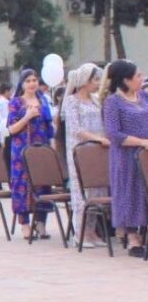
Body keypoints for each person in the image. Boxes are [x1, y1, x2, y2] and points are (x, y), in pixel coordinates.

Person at [102, 60, 148, 257]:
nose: (141, 78)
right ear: (126, 80)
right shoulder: (113, 102)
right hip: (126, 157)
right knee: (130, 193)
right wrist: (141, 141)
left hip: (145, 153)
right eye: (138, 75)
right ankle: (132, 238)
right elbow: (113, 134)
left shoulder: (143, 96)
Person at [62, 63, 109, 247]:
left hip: (98, 151)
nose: (97, 83)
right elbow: (75, 129)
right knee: (81, 191)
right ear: (85, 80)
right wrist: (97, 138)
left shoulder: (96, 100)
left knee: (98, 189)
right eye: (95, 80)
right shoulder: (71, 101)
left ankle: (92, 231)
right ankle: (80, 232)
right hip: (80, 151)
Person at [8, 69, 56, 240]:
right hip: (21, 150)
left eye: (34, 80)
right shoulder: (15, 103)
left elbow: (49, 128)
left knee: (42, 183)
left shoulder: (43, 101)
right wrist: (27, 116)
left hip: (41, 149)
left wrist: (52, 147)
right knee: (22, 184)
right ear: (22, 84)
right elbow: (11, 129)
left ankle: (41, 222)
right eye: (28, 81)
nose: (32, 84)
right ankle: (25, 224)